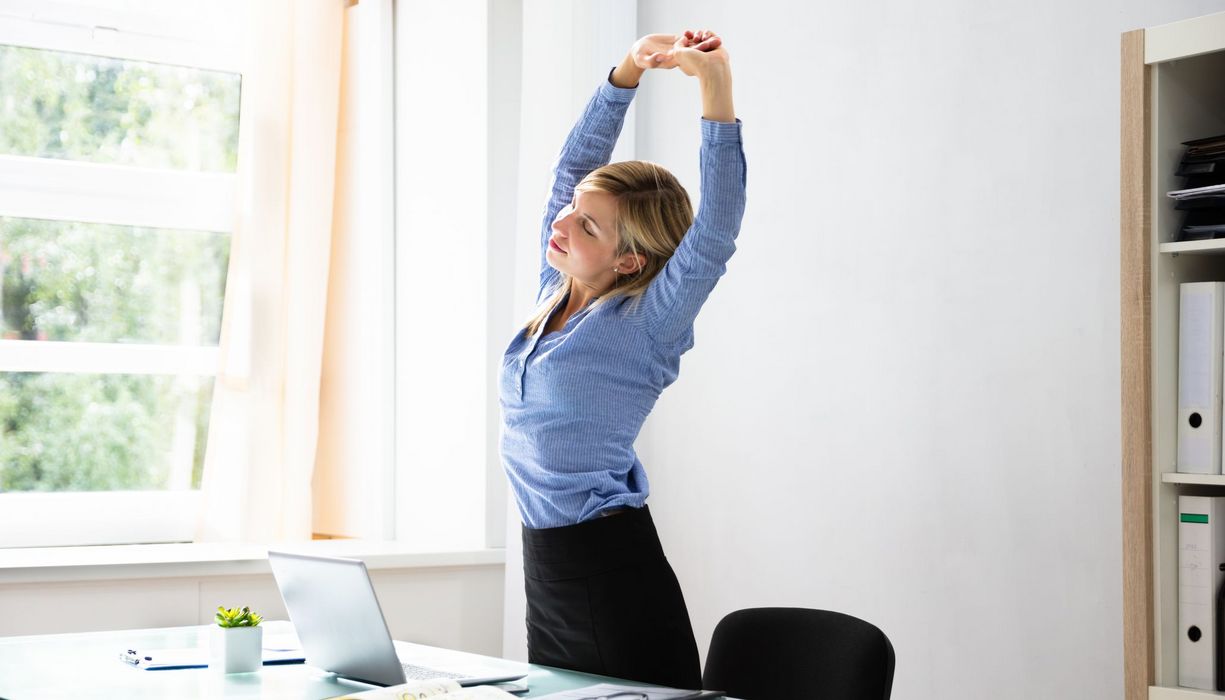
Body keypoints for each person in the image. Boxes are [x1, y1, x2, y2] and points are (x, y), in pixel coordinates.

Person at [499, 29, 745, 690]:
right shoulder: (555, 290)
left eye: (586, 225)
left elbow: (715, 229)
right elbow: (572, 166)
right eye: (572, 212)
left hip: (607, 566)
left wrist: (713, 86)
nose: (561, 223)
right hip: (545, 560)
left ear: (628, 259)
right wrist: (626, 71)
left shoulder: (646, 323)